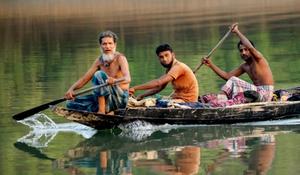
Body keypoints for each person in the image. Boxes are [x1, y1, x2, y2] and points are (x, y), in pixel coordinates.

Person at [202, 23, 274, 103]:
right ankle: (223, 100)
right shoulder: (244, 66)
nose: (243, 52)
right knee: (232, 80)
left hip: (266, 94)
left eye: (246, 50)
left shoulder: (259, 58)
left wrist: (237, 32)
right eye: (241, 50)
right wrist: (210, 65)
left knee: (233, 80)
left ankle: (220, 101)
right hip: (256, 93)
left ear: (251, 51)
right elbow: (227, 76)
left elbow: (250, 47)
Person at [64, 31, 131, 114]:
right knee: (71, 103)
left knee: (98, 74)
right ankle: (103, 109)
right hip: (106, 100)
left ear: (115, 45)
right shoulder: (99, 61)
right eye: (104, 44)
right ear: (100, 46)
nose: (108, 46)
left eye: (110, 43)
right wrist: (71, 89)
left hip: (119, 99)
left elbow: (127, 78)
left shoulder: (120, 58)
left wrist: (114, 81)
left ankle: (101, 111)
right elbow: (84, 79)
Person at [129, 44, 199, 103]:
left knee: (155, 103)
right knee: (152, 101)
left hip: (187, 102)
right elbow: (159, 87)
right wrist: (142, 96)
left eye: (166, 55)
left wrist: (135, 88)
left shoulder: (178, 67)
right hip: (177, 99)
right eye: (161, 57)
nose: (164, 59)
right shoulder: (170, 69)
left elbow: (158, 82)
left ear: (173, 55)